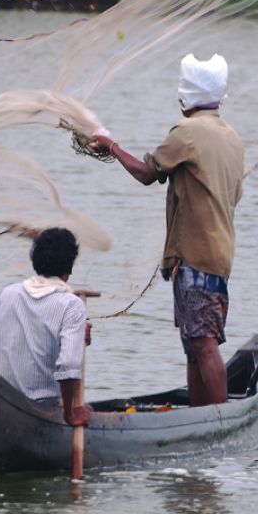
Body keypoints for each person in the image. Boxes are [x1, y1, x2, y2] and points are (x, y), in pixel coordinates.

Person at [88, 53, 244, 406]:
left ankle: (216, 420)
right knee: (195, 343)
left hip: (197, 256)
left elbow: (147, 173)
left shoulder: (187, 133)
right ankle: (199, 414)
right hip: (219, 253)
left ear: (184, 95)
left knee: (203, 343)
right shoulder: (230, 135)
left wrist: (110, 146)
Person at [0, 227, 91, 426]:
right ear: (70, 267)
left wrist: (77, 339)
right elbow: (68, 366)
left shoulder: (8, 293)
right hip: (39, 407)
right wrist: (70, 414)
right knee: (89, 411)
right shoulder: (71, 304)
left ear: (35, 261)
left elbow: (3, 339)